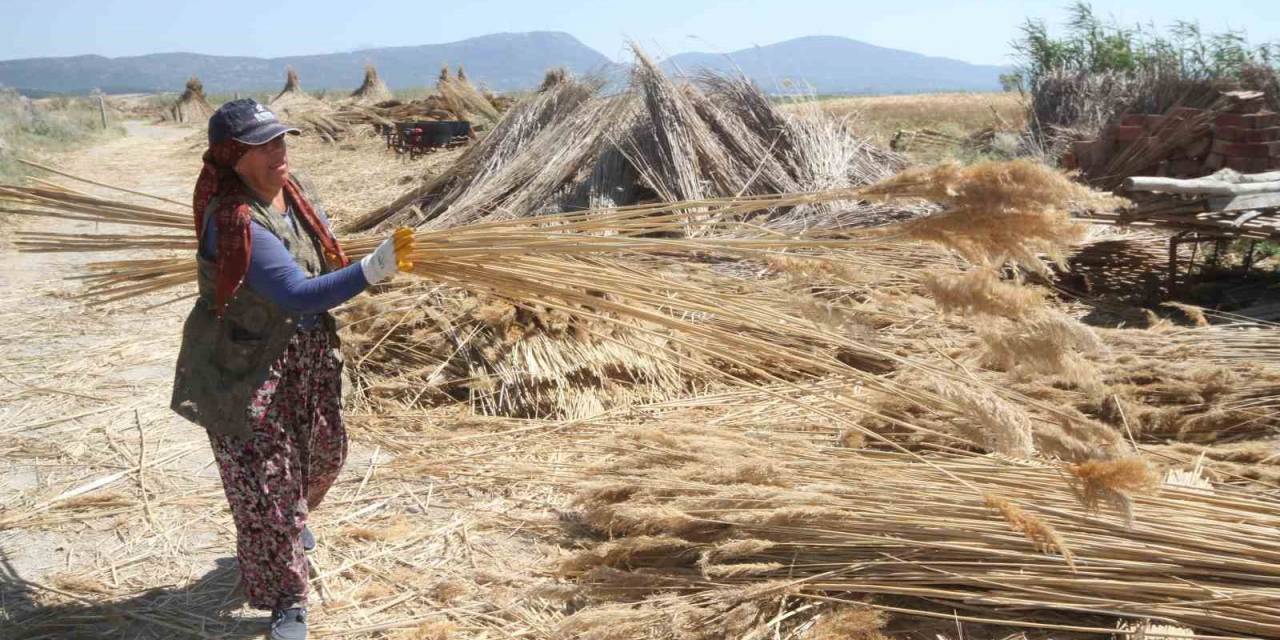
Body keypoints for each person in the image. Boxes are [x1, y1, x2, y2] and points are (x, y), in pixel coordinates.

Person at [170, 98, 413, 640]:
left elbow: (321, 259)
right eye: (267, 144)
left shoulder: (294, 194)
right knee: (270, 492)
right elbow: (299, 294)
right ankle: (286, 598)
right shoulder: (235, 222)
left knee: (326, 455)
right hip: (244, 368)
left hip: (304, 357)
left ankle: (289, 523)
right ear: (233, 156)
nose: (282, 150)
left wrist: (362, 266)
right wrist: (374, 269)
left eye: (282, 139)